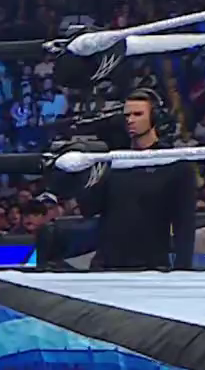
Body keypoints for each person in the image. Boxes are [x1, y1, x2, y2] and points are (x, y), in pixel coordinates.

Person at [80, 89, 196, 271]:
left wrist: (183, 269)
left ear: (155, 117)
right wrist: (84, 174)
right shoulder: (114, 160)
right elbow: (88, 209)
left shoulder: (174, 163)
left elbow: (184, 223)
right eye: (127, 115)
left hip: (150, 266)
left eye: (138, 114)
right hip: (106, 264)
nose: (130, 120)